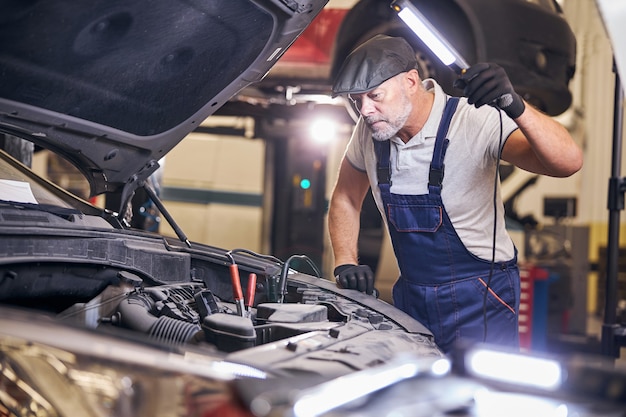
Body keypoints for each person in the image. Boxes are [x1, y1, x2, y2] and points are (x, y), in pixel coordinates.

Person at [327, 34, 583, 354]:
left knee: (482, 397)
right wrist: (345, 261)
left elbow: (568, 163)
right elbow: (346, 197)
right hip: (412, 299)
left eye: (375, 95)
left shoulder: (474, 119)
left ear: (410, 81)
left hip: (483, 298)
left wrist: (515, 105)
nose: (365, 110)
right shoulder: (370, 132)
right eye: (357, 100)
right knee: (418, 395)